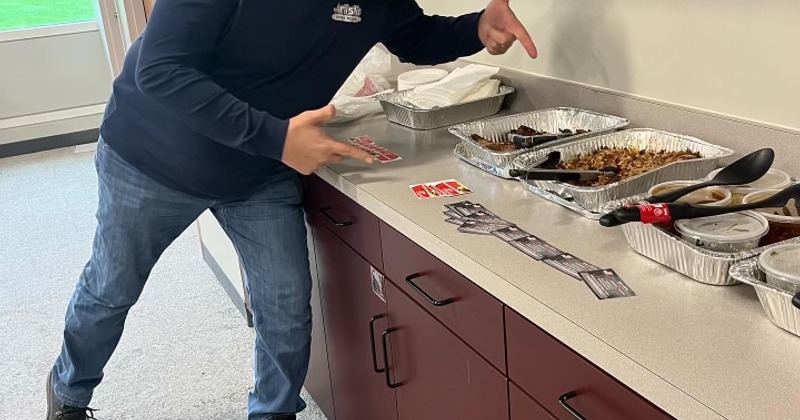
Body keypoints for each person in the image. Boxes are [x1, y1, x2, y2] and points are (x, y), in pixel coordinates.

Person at [45, 0, 536, 419]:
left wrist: (474, 27)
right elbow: (160, 70)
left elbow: (413, 34)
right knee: (112, 289)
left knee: (284, 308)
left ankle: (273, 411)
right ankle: (68, 393)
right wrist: (277, 138)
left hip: (261, 168)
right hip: (155, 157)